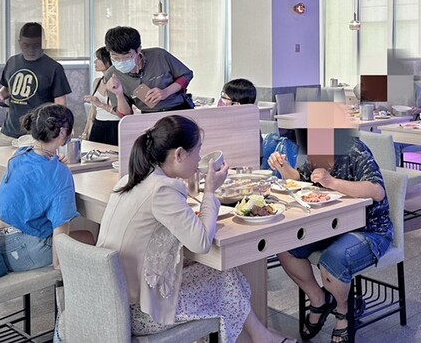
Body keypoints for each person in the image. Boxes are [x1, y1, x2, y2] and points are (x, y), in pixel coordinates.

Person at [96, 116, 292, 342]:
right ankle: (261, 337)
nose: (200, 158)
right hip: (137, 312)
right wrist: (210, 191)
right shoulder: (163, 189)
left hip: (109, 300)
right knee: (225, 280)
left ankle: (260, 336)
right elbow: (201, 243)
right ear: (179, 154)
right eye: (198, 150)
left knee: (224, 274)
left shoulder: (130, 180)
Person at [269, 129, 392, 343]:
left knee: (332, 260)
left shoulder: (354, 150)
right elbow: (302, 179)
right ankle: (319, 299)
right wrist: (284, 168)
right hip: (332, 226)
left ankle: (344, 312)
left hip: (371, 229)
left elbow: (377, 190)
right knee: (284, 246)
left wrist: (331, 182)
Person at [0, 104, 93, 271]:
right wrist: (58, 264)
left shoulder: (20, 154)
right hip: (17, 251)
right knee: (88, 237)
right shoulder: (58, 172)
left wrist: (55, 160)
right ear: (63, 133)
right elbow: (61, 228)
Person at [0, 22, 71, 146]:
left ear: (44, 43)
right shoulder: (12, 62)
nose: (31, 50)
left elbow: (60, 102)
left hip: (37, 134)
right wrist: (0, 94)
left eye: (36, 45)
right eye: (26, 45)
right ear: (19, 43)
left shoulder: (54, 68)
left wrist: (61, 130)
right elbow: (8, 87)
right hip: (9, 130)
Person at [103, 26, 194, 116]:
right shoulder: (111, 76)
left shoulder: (159, 55)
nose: (121, 61)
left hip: (179, 108)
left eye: (127, 57)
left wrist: (166, 92)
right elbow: (125, 114)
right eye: (115, 57)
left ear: (138, 49)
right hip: (149, 115)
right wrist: (119, 94)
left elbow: (186, 75)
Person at [83, 47, 119, 146]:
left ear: (107, 61)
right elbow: (92, 112)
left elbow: (123, 112)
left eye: (98, 59)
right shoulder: (97, 82)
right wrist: (86, 132)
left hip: (115, 126)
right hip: (98, 125)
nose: (95, 62)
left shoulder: (118, 83)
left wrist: (100, 104)